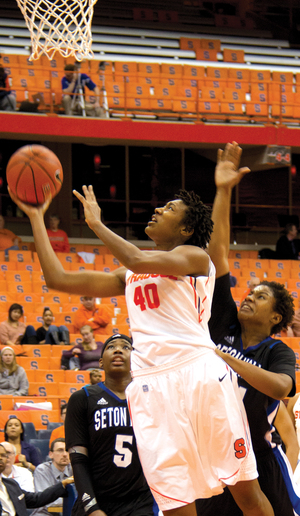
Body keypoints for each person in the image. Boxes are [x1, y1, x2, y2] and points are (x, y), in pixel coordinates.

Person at [8, 157, 276, 516]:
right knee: (176, 505)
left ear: (184, 230)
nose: (156, 209)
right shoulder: (130, 274)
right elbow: (58, 279)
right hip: (151, 390)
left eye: (167, 209)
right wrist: (37, 216)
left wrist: (97, 225)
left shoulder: (195, 257)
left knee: (246, 494)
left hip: (198, 375)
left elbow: (136, 257)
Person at [195, 142, 298, 516]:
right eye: (249, 292)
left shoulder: (277, 352)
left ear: (276, 318)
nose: (249, 297)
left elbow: (281, 387)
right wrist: (223, 190)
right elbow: (217, 254)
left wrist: (225, 357)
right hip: (216, 455)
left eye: (260, 296)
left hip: (260, 459)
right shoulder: (223, 318)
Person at [65, 333, 159, 516]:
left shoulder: (152, 399)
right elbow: (78, 461)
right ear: (100, 362)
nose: (118, 350)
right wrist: (92, 508)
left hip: (139, 502)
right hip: (95, 500)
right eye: (111, 347)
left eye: (126, 347)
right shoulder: (82, 398)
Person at [0, 443, 73, 516]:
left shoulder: (11, 484)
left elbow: (36, 499)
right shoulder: (42, 469)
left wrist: (63, 484)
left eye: (3, 455)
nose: (0, 458)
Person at [31, 438, 73, 516]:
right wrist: (72, 500)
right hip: (45, 513)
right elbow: (47, 501)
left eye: (67, 450)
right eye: (60, 450)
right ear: (51, 454)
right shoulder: (42, 470)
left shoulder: (74, 469)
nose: (65, 454)